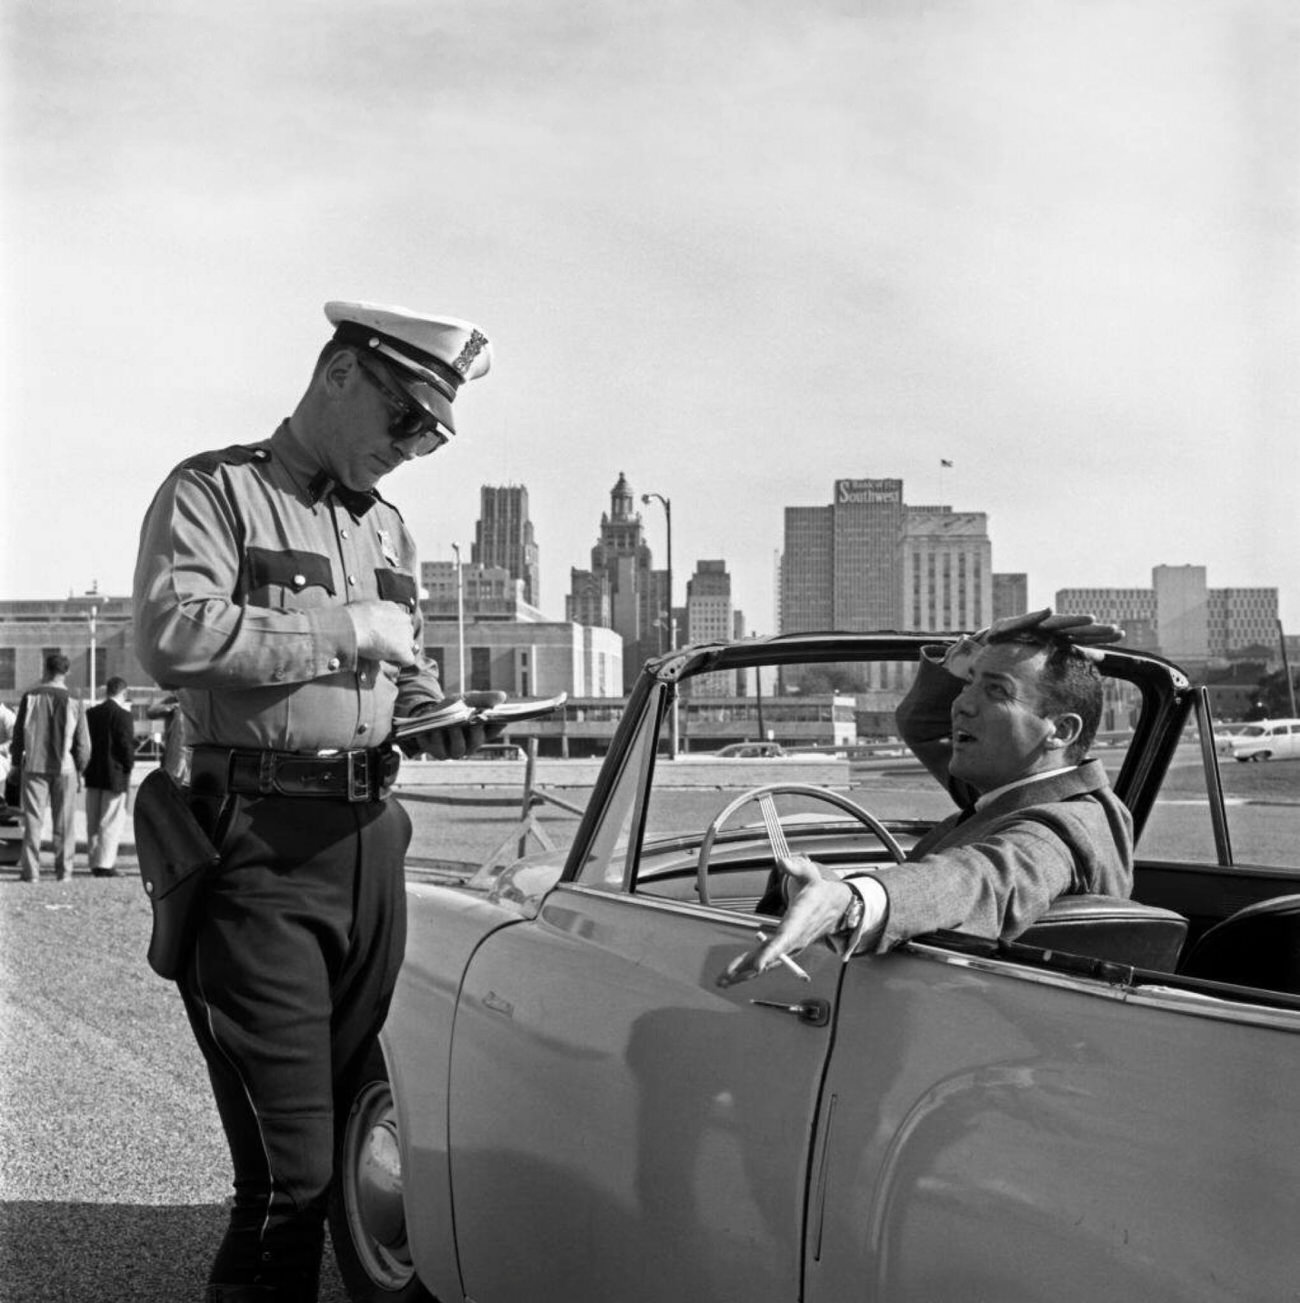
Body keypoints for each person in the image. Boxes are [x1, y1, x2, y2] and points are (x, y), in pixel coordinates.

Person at [132, 299, 496, 1303]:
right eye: (407, 417)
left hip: (369, 841)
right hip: (257, 846)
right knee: (287, 1177)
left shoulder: (387, 527)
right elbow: (173, 634)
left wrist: (438, 714)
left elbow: (397, 672)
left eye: (433, 431)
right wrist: (345, 629)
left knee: (346, 1134)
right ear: (339, 375)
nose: (416, 446)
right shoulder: (216, 491)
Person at [719, 609, 1133, 986]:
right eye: (969, 682)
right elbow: (923, 724)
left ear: (1060, 731)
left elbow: (979, 879)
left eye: (997, 691)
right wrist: (972, 652)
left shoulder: (1060, 830)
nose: (961, 703)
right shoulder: (1022, 791)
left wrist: (851, 902)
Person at [10, 652, 91, 883]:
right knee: (65, 822)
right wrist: (81, 768)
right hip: (65, 767)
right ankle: (64, 872)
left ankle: (31, 872)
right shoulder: (75, 699)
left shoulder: (30, 696)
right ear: (67, 672)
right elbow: (82, 741)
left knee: (33, 820)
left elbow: (18, 734)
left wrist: (16, 763)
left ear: (44, 669)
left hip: (34, 764)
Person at [84, 676, 136, 876]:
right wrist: (129, 765)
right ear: (123, 693)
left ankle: (92, 860)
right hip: (115, 775)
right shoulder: (124, 716)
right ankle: (104, 864)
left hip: (93, 773)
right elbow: (125, 745)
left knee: (93, 820)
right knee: (110, 821)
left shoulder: (91, 713)